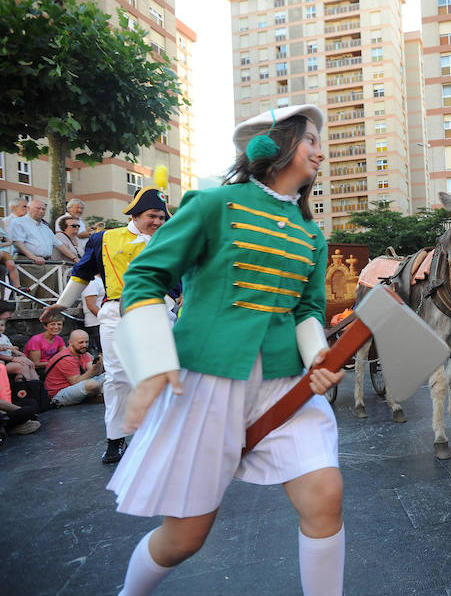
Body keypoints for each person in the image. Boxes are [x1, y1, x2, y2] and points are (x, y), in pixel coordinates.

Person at [106, 104, 346, 596]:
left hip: (282, 385)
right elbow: (146, 277)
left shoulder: (309, 233)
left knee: (325, 495)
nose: (322, 152)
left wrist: (318, 358)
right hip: (205, 383)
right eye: (312, 140)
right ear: (274, 147)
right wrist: (152, 365)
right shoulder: (214, 204)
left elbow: (306, 309)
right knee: (184, 539)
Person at [42, 174, 171, 464]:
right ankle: (115, 440)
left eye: (162, 217)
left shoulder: (169, 240)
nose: (158, 222)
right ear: (136, 214)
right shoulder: (104, 239)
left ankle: (162, 434)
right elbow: (82, 273)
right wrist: (61, 305)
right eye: (153, 216)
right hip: (114, 313)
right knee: (116, 377)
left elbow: (178, 282)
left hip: (157, 311)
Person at [44, 329, 105, 407]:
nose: (84, 345)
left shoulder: (83, 353)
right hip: (59, 394)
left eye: (86, 342)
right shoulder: (66, 358)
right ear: (70, 342)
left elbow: (95, 374)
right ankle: (98, 394)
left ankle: (98, 393)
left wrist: (99, 364)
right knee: (93, 384)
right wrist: (93, 369)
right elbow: (75, 382)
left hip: (76, 387)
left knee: (110, 375)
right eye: (81, 342)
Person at [9, 199, 77, 264]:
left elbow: (58, 244)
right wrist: (33, 257)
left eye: (43, 209)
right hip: (28, 262)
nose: (41, 211)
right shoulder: (19, 222)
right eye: (38, 208)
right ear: (28, 209)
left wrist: (74, 258)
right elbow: (17, 243)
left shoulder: (45, 227)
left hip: (47, 262)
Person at [0, 365, 41, 436]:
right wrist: (20, 410)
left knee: (31, 402)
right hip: (2, 413)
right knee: (28, 411)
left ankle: (15, 426)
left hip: (5, 406)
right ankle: (8, 429)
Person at [82, 275, 105, 354]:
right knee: (102, 355)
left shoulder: (103, 280)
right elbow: (91, 305)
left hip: (103, 324)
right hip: (96, 324)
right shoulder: (92, 281)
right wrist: (105, 319)